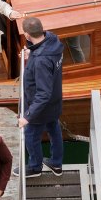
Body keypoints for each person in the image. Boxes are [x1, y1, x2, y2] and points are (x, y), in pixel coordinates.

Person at [18, 15, 64, 177]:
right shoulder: (53, 41)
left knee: (30, 135)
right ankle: (56, 164)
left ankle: (35, 167)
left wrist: (28, 116)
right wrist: (31, 54)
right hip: (55, 102)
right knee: (54, 129)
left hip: (40, 108)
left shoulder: (41, 60)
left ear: (27, 35)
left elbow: (43, 93)